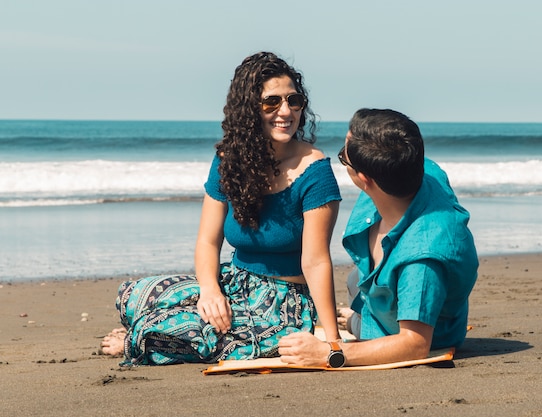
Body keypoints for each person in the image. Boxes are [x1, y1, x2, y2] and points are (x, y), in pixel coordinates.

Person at [101, 51, 342, 365]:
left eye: (293, 101)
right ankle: (150, 331)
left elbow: (316, 261)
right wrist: (210, 290)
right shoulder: (230, 159)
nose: (285, 111)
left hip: (282, 303)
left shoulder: (315, 170)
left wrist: (333, 343)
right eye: (272, 102)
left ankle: (142, 339)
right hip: (234, 280)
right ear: (249, 108)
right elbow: (207, 241)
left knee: (157, 328)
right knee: (137, 294)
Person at [278, 108, 479, 367]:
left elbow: (415, 343)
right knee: (355, 280)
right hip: (381, 297)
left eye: (344, 155)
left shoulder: (422, 257)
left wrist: (328, 354)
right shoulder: (418, 168)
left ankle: (355, 320)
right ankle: (356, 317)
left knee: (363, 305)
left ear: (365, 178)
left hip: (415, 333)